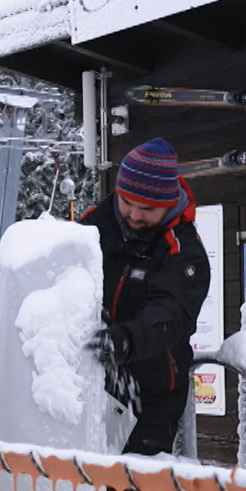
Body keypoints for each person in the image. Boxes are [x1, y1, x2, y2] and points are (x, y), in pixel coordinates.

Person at [79, 138, 210, 455]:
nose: (135, 215)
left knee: (134, 490)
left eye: (148, 208)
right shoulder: (93, 224)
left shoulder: (182, 250)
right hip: (89, 382)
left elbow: (172, 311)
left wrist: (128, 339)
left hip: (151, 394)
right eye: (127, 202)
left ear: (167, 203)